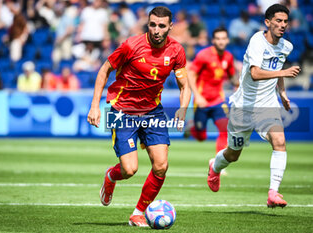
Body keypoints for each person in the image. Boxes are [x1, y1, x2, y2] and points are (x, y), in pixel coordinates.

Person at [87, 6, 191, 227]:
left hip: (153, 111)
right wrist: (95, 106)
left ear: (170, 27)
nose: (156, 30)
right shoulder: (131, 45)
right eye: (152, 24)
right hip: (121, 110)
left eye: (162, 26)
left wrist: (183, 108)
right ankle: (111, 176)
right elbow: (104, 69)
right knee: (129, 170)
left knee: (161, 165)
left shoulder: (176, 51)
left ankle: (138, 213)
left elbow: (185, 85)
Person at [207, 4, 301, 208]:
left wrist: (282, 93)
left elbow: (277, 68)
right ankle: (214, 166)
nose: (282, 25)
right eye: (278, 20)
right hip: (243, 106)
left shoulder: (286, 46)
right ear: (267, 22)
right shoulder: (257, 41)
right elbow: (256, 73)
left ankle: (273, 193)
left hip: (267, 105)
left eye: (285, 21)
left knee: (279, 141)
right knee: (233, 154)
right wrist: (283, 73)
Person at [186, 28, 237, 153]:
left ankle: (219, 165)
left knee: (225, 130)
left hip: (218, 100)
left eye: (223, 39)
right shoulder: (204, 55)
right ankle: (192, 127)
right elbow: (190, 74)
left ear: (227, 40)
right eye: (218, 39)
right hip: (202, 101)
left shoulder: (228, 57)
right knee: (201, 137)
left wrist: (238, 87)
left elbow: (233, 78)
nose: (221, 42)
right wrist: (197, 96)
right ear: (213, 40)